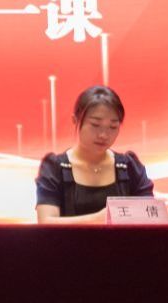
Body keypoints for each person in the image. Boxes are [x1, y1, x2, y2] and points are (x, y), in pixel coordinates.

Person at [35, 85, 155, 224]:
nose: (103, 135)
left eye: (113, 127)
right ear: (75, 120)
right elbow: (46, 222)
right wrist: (100, 219)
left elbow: (151, 217)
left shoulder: (130, 167)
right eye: (95, 125)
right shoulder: (54, 168)